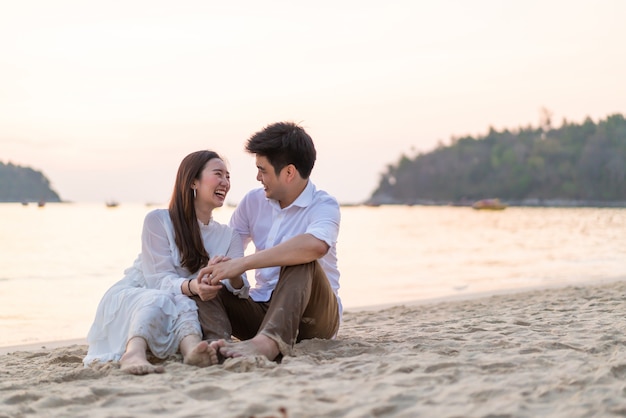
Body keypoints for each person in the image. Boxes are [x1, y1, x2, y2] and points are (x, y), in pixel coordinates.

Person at [83, 150, 250, 375]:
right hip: (141, 295)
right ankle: (133, 353)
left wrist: (231, 272)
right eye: (218, 174)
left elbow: (240, 290)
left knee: (185, 302)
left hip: (184, 301)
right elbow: (157, 280)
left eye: (228, 176)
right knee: (165, 297)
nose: (225, 182)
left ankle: (193, 351)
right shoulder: (158, 221)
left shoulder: (229, 236)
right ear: (193, 182)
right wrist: (194, 286)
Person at [194, 121, 341, 362]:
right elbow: (230, 253)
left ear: (289, 173)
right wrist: (224, 269)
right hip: (262, 311)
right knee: (205, 283)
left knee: (301, 258)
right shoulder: (252, 202)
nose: (257, 177)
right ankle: (216, 345)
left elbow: (315, 245)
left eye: (263, 170)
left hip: (314, 319)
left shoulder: (324, 205)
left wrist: (244, 264)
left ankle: (270, 343)